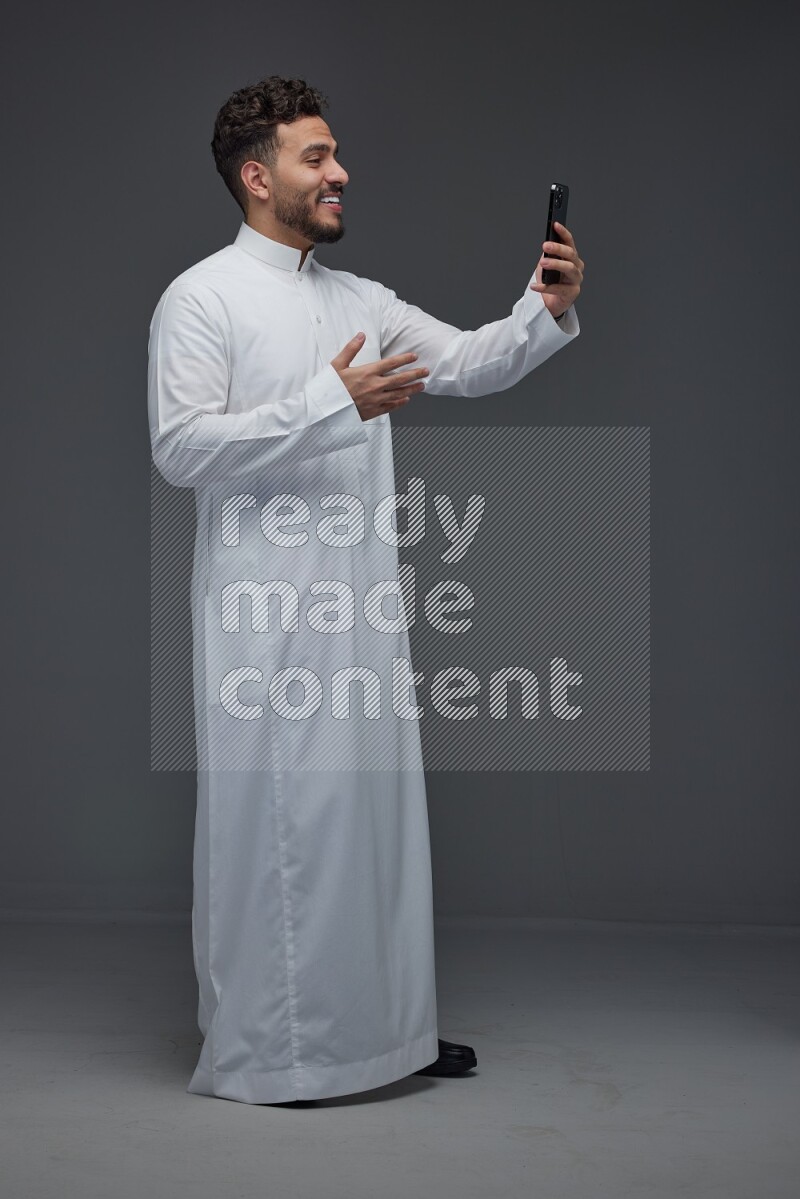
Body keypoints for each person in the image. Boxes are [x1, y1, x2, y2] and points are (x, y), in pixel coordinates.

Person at [147, 75, 584, 1105]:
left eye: (335, 154)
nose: (340, 172)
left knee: (375, 828)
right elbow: (180, 445)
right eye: (315, 157)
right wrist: (326, 403)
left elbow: (472, 364)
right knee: (284, 830)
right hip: (267, 623)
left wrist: (541, 307)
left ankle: (384, 1035)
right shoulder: (200, 296)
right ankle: (278, 1052)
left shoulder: (360, 301)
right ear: (257, 178)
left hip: (360, 614)